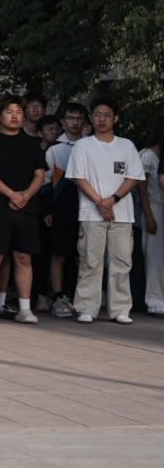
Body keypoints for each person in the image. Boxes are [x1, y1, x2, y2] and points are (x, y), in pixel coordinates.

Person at [66, 98, 146, 324]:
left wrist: (112, 200)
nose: (102, 119)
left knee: (121, 262)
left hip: (122, 214)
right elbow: (79, 178)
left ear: (115, 118)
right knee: (90, 261)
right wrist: (101, 203)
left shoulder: (126, 145)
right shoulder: (83, 146)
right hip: (91, 213)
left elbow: (133, 177)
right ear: (91, 118)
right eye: (97, 114)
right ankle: (86, 307)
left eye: (107, 115)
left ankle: (120, 309)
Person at [0, 95, 45, 324]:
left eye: (19, 112)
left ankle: (25, 308)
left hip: (27, 208)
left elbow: (40, 174)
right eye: (9, 112)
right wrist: (11, 194)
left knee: (24, 257)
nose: (15, 117)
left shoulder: (32, 143)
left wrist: (26, 195)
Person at [43, 102, 88, 318]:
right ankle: (58, 296)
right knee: (59, 253)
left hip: (89, 207)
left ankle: (82, 297)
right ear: (62, 121)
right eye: (70, 118)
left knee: (85, 255)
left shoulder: (91, 146)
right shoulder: (55, 149)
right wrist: (47, 210)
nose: (75, 122)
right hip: (62, 207)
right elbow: (45, 184)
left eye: (79, 118)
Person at [141, 120, 164, 316]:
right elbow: (142, 190)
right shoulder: (148, 156)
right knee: (154, 256)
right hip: (154, 207)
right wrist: (149, 216)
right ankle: (154, 300)